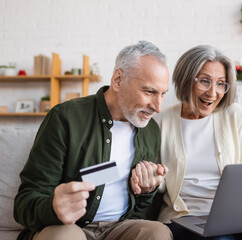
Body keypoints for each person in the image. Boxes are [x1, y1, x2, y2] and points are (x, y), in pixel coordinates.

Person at [14, 41, 173, 240]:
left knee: (157, 233)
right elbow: (24, 202)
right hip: (70, 227)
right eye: (149, 92)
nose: (157, 107)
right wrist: (53, 208)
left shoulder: (149, 130)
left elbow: (140, 207)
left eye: (162, 94)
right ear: (118, 80)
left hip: (120, 227)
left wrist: (147, 190)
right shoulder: (65, 118)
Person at [154, 45, 242, 240]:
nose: (213, 93)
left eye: (221, 83)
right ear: (185, 79)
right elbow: (159, 184)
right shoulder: (160, 122)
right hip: (185, 218)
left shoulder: (235, 114)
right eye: (205, 81)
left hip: (236, 216)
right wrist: (153, 179)